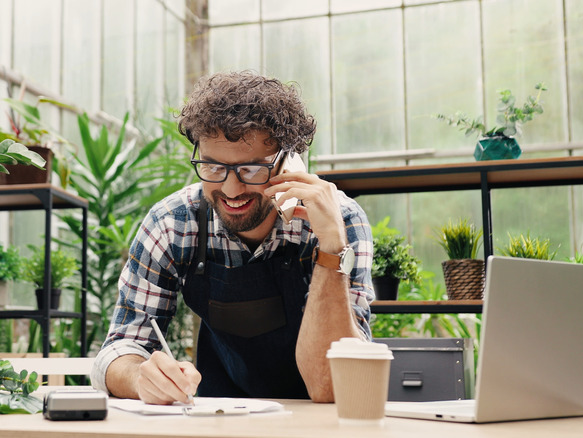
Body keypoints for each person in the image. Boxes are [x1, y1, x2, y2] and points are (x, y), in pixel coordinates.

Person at [90, 71, 374, 404]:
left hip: (317, 421)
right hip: (219, 416)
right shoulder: (172, 224)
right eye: (213, 167)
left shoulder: (340, 222)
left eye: (251, 169)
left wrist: (330, 249)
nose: (230, 189)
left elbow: (333, 385)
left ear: (290, 162)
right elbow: (119, 348)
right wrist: (141, 377)